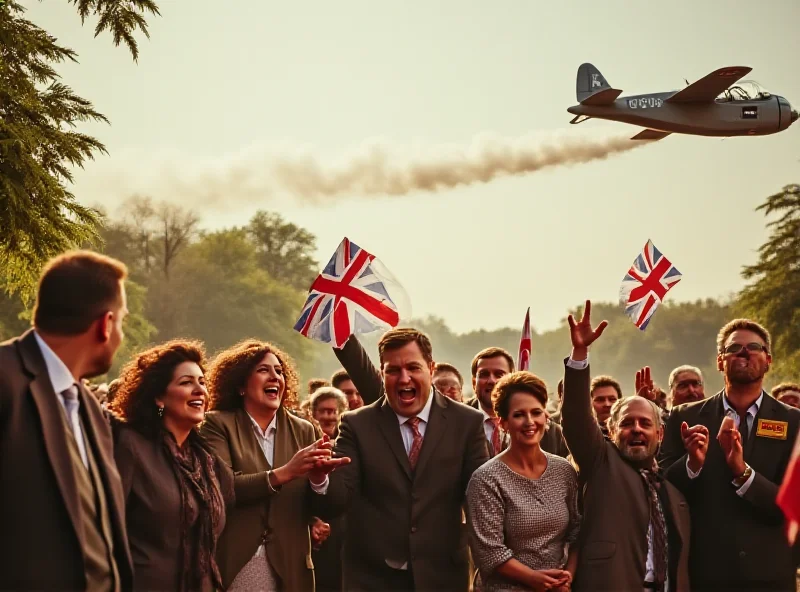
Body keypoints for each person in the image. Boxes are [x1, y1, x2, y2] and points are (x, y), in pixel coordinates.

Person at [309, 330, 489, 591]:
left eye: (413, 367)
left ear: (430, 368)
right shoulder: (357, 424)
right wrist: (319, 480)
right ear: (381, 374)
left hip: (443, 576)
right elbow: (337, 500)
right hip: (372, 578)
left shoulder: (467, 422)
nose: (404, 378)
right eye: (393, 370)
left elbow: (479, 500)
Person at [0, 250, 133, 591]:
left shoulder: (88, 406)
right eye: (122, 321)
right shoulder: (5, 381)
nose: (121, 335)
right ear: (105, 325)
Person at [660, 319, 800, 591]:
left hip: (770, 575)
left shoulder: (794, 423)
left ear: (768, 359)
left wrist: (743, 473)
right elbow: (665, 489)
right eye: (734, 347)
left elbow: (792, 505)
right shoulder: (685, 417)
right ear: (720, 361)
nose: (744, 352)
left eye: (754, 347)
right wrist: (691, 463)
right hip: (706, 573)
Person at [561, 301, 691, 592]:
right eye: (627, 423)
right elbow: (576, 420)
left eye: (645, 424)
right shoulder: (600, 461)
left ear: (660, 433)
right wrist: (580, 355)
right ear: (610, 429)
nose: (636, 429)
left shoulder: (672, 487)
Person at [200, 339, 348, 591]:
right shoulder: (217, 424)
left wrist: (318, 480)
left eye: (279, 371)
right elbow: (225, 488)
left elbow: (320, 507)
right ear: (240, 386)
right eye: (263, 370)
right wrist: (286, 472)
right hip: (240, 561)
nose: (275, 377)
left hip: (292, 565)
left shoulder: (304, 429)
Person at [110, 340, 234, 591]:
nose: (199, 390)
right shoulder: (130, 445)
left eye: (202, 382)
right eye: (186, 382)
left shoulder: (208, 462)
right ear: (159, 397)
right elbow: (105, 529)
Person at [467, 371, 580, 592]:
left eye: (536, 412)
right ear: (503, 423)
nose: (529, 422)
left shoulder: (564, 470)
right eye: (519, 415)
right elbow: (490, 551)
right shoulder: (487, 479)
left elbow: (577, 532)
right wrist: (535, 580)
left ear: (546, 417)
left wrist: (568, 578)